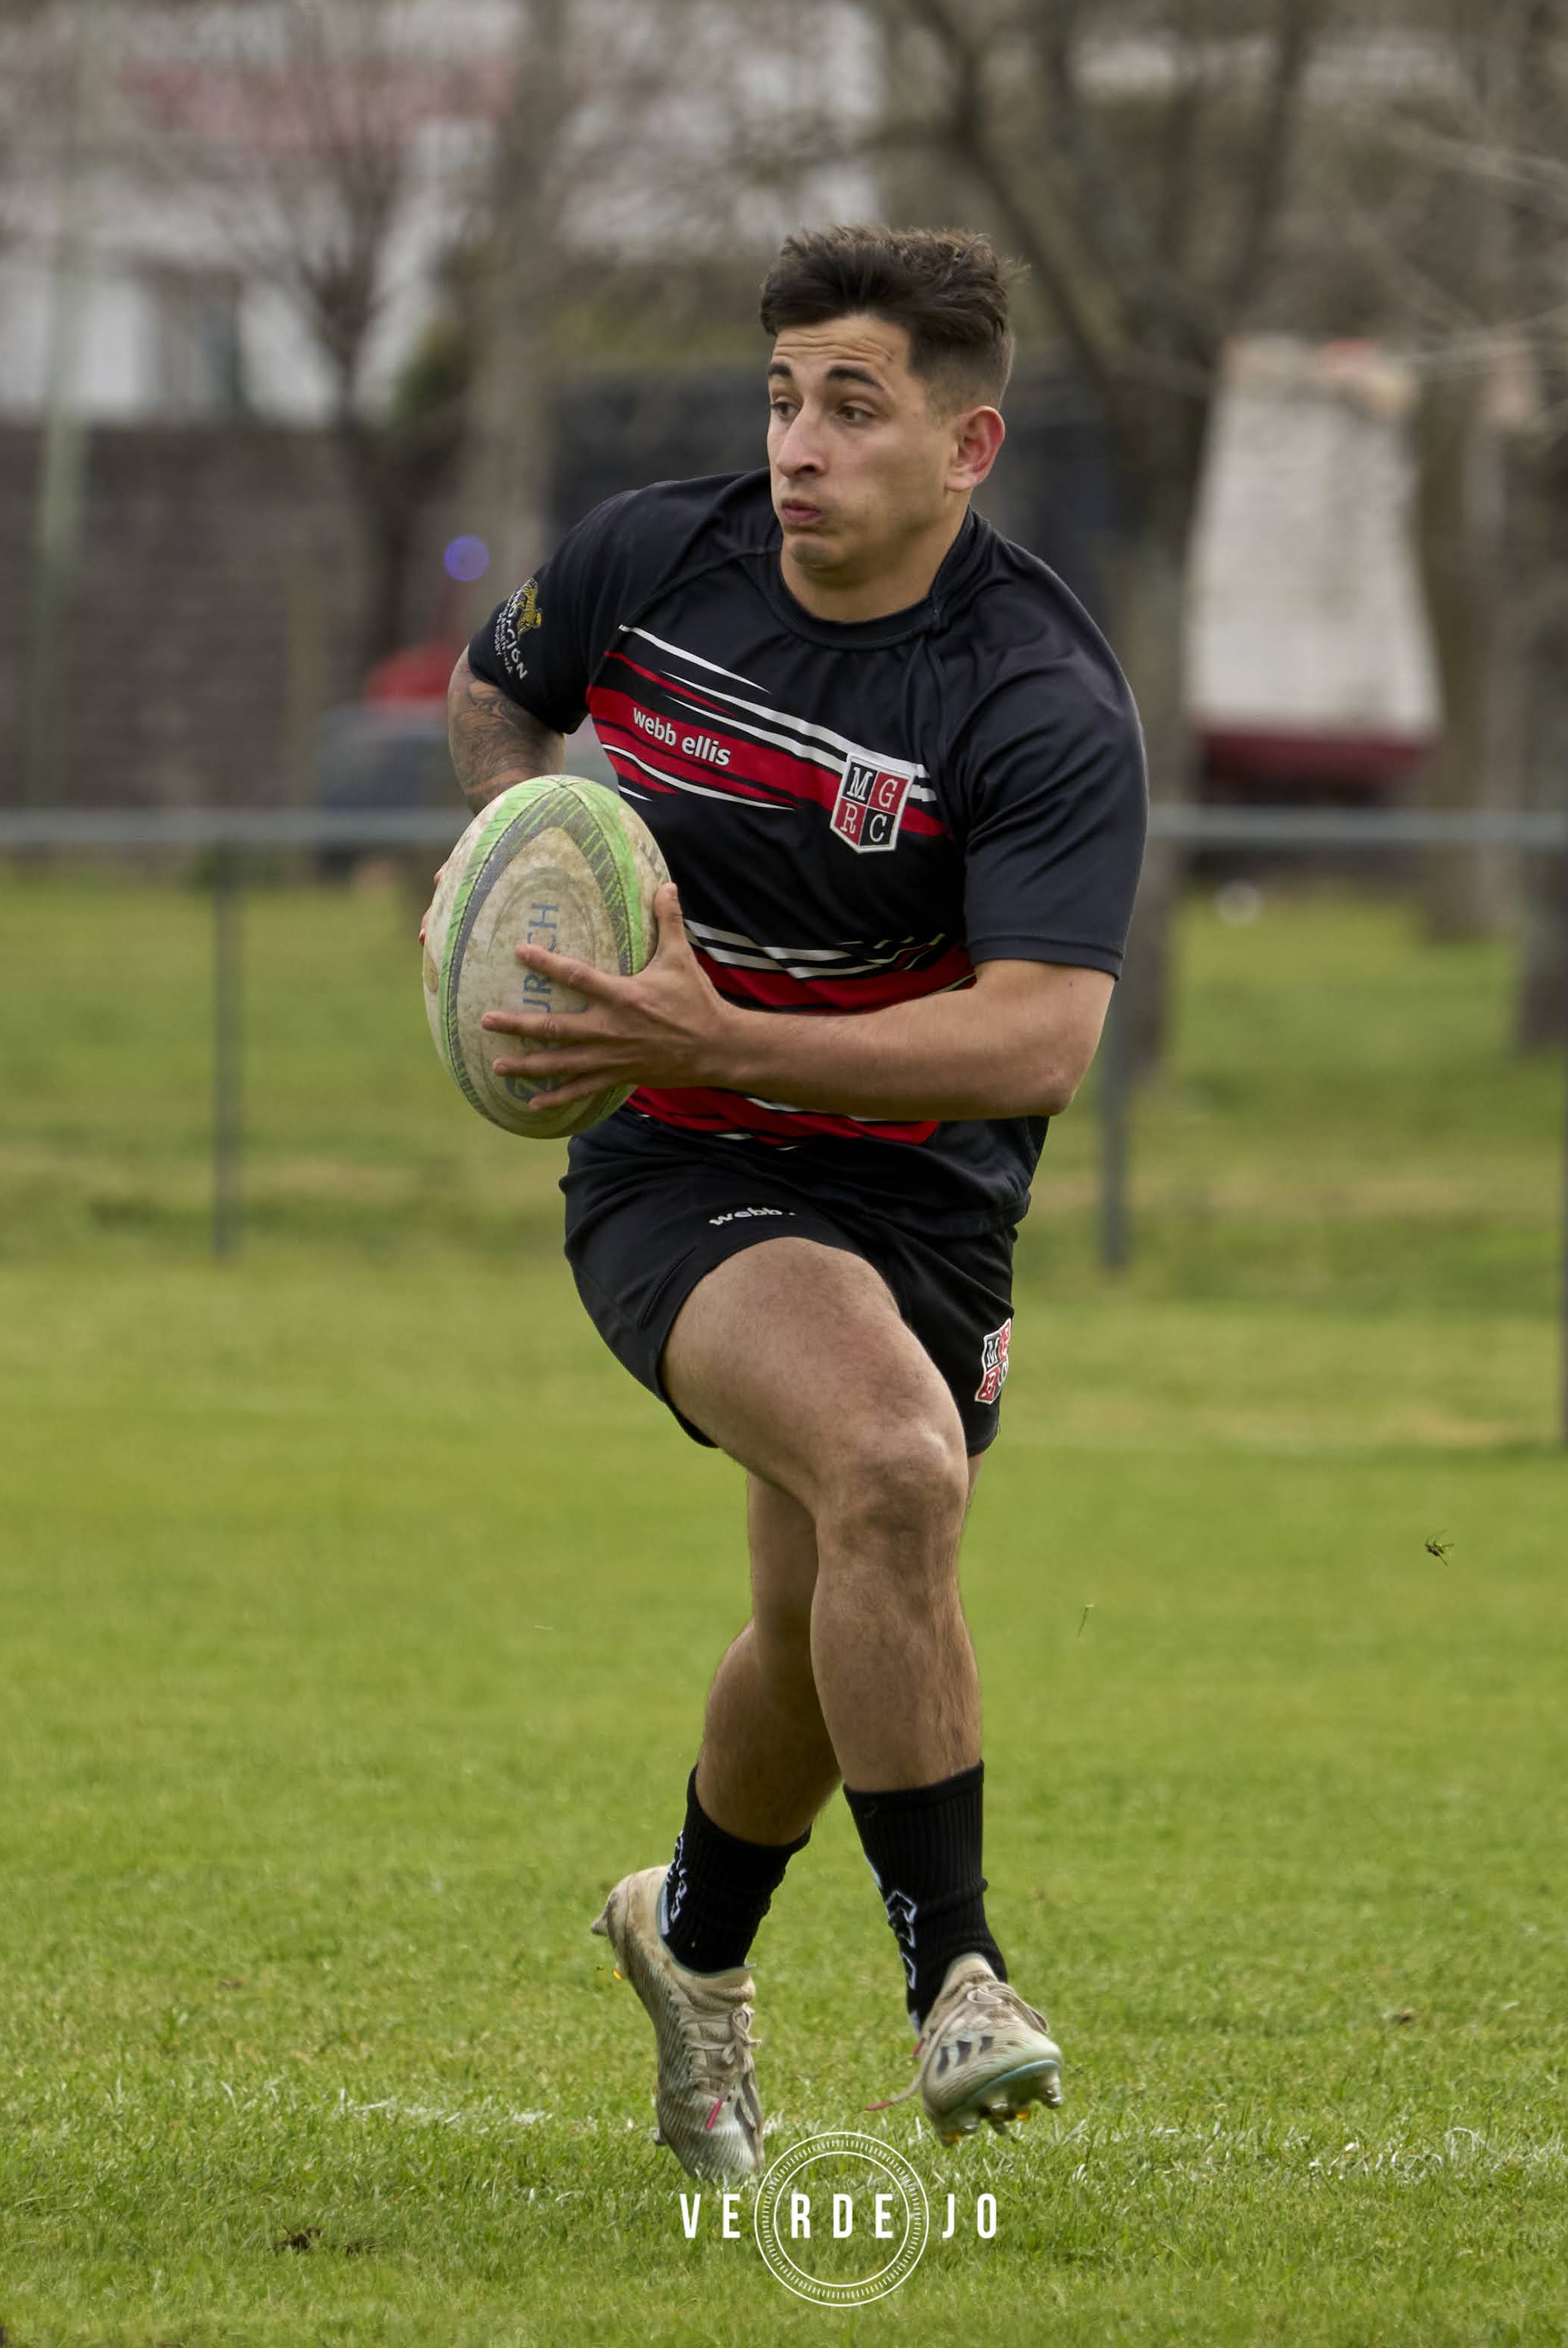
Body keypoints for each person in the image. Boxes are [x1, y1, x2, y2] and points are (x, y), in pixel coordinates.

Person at [437, 226, 1146, 2174]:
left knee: (823, 1625)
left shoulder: (1034, 697)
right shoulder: (651, 564)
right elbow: (499, 700)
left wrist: (732, 1023)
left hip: (919, 1202)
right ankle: (960, 1983)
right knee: (897, 1473)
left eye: (854, 406)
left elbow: (1033, 1044)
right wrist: (508, 866)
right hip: (674, 1154)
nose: (799, 446)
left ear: (968, 444)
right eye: (780, 399)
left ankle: (690, 1944)